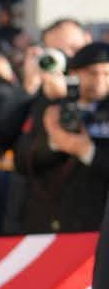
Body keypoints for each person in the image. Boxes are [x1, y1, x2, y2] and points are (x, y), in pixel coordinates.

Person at [13, 41, 109, 233]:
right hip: (52, 221)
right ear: (73, 74)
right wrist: (54, 144)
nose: (99, 80)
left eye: (106, 74)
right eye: (92, 73)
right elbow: (22, 161)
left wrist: (87, 151)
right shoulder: (50, 107)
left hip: (100, 222)